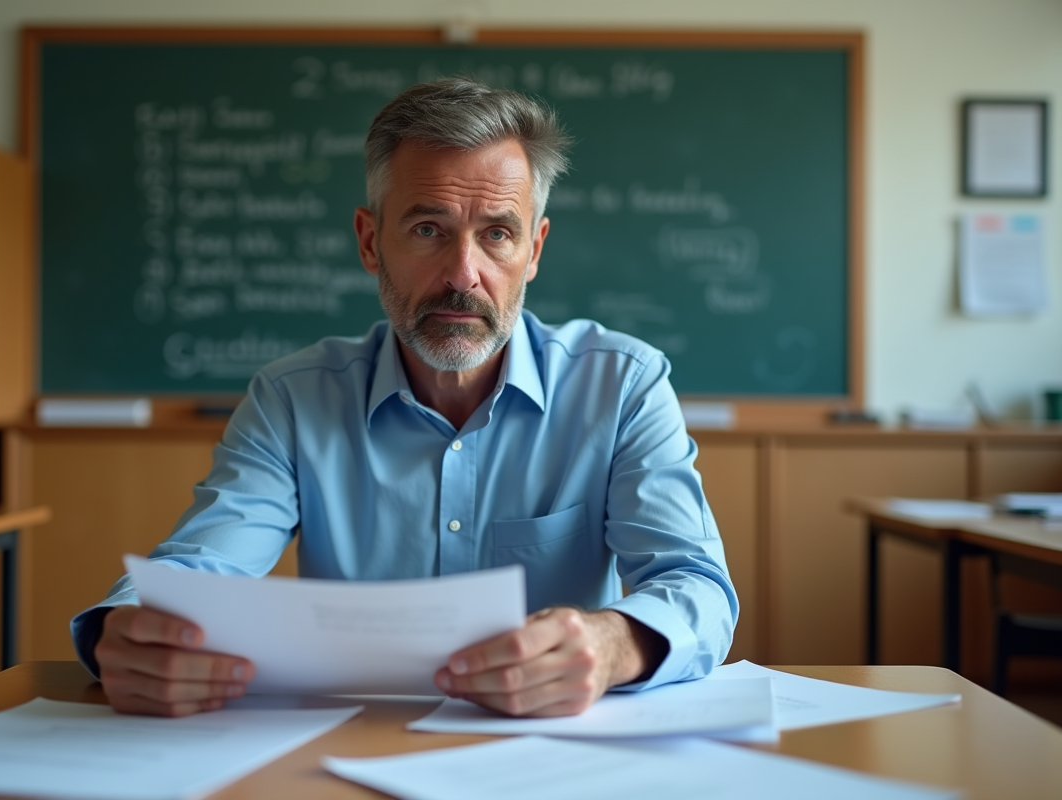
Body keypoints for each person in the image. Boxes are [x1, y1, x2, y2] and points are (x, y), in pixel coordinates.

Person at [72, 77, 737, 718]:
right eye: (427, 229)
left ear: (534, 250)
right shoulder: (292, 399)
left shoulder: (621, 387)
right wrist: (127, 634)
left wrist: (613, 644)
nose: (461, 274)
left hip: (550, 758)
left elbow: (697, 587)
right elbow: (203, 563)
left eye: (497, 234)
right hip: (341, 751)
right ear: (369, 241)